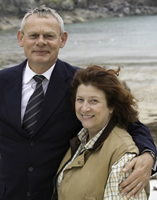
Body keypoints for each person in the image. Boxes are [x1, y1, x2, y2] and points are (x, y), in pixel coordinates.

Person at [0, 6, 156, 200]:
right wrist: (6, 152)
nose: (41, 42)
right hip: (8, 193)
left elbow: (131, 123)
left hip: (58, 194)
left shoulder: (80, 82)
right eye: (33, 35)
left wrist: (148, 155)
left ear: (62, 40)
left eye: (49, 36)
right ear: (21, 38)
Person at [51, 65, 150, 200]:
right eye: (80, 100)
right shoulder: (81, 140)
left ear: (111, 106)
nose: (84, 108)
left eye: (94, 101)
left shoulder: (124, 160)